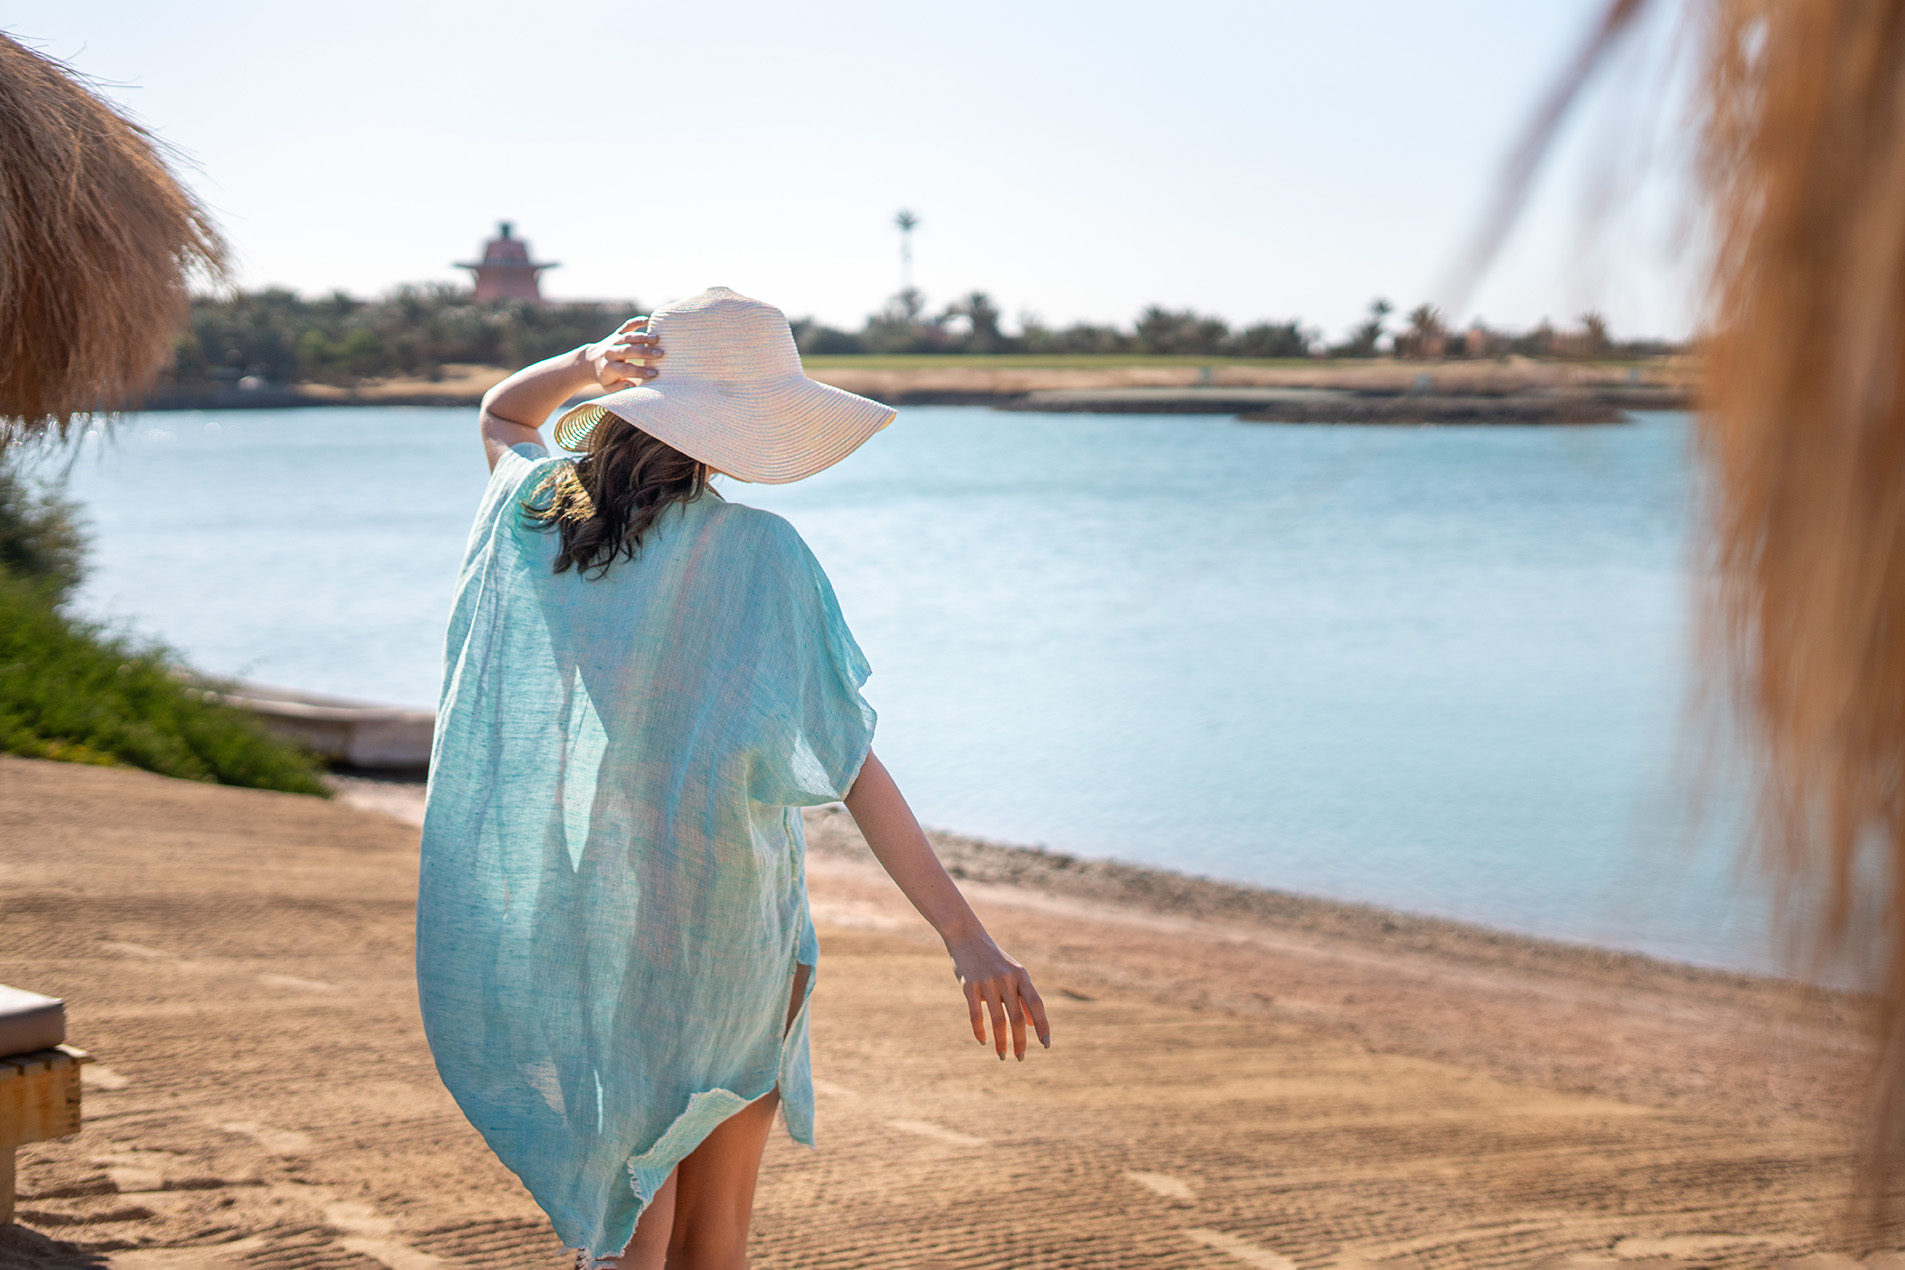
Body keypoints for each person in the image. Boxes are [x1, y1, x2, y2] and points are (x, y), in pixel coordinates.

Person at [415, 286, 1050, 1270]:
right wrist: (966, 936)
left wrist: (589, 365)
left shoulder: (544, 519)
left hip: (607, 910)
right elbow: (853, 767)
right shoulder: (759, 553)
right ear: (742, 426)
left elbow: (503, 414)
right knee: (712, 1231)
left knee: (632, 1208)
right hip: (738, 925)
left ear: (631, 400)